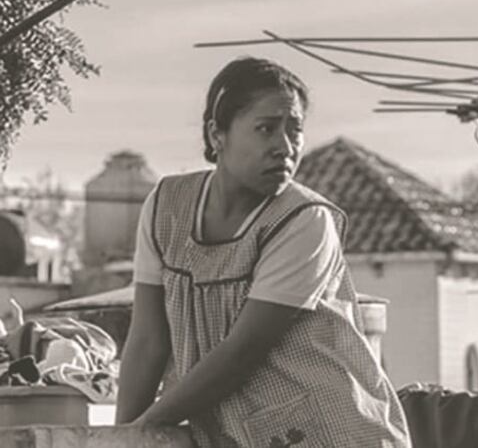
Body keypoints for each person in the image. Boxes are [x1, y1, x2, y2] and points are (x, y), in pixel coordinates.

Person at [115, 57, 410, 447]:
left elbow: (241, 353)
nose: (285, 147)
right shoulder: (165, 207)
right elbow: (149, 340)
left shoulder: (304, 220)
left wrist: (144, 429)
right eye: (266, 129)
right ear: (217, 134)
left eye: (295, 130)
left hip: (333, 433)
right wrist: (117, 437)